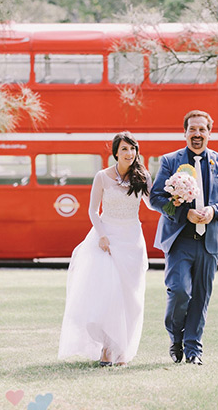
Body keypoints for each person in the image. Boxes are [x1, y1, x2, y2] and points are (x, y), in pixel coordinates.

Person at [150, 110, 218, 365]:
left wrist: (214, 211)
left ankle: (193, 351)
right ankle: (175, 337)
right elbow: (155, 198)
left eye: (202, 129)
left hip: (210, 241)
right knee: (179, 292)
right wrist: (183, 213)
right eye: (193, 129)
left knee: (201, 297)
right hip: (180, 240)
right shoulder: (169, 161)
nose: (197, 134)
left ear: (209, 133)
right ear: (185, 133)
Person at [58, 131, 152, 367]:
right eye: (124, 149)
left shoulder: (143, 177)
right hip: (107, 240)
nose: (129, 153)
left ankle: (122, 351)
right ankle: (107, 350)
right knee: (108, 295)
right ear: (116, 153)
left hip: (132, 240)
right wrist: (102, 236)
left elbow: (152, 204)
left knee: (131, 298)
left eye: (132, 149)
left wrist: (176, 198)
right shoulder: (102, 176)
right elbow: (92, 211)